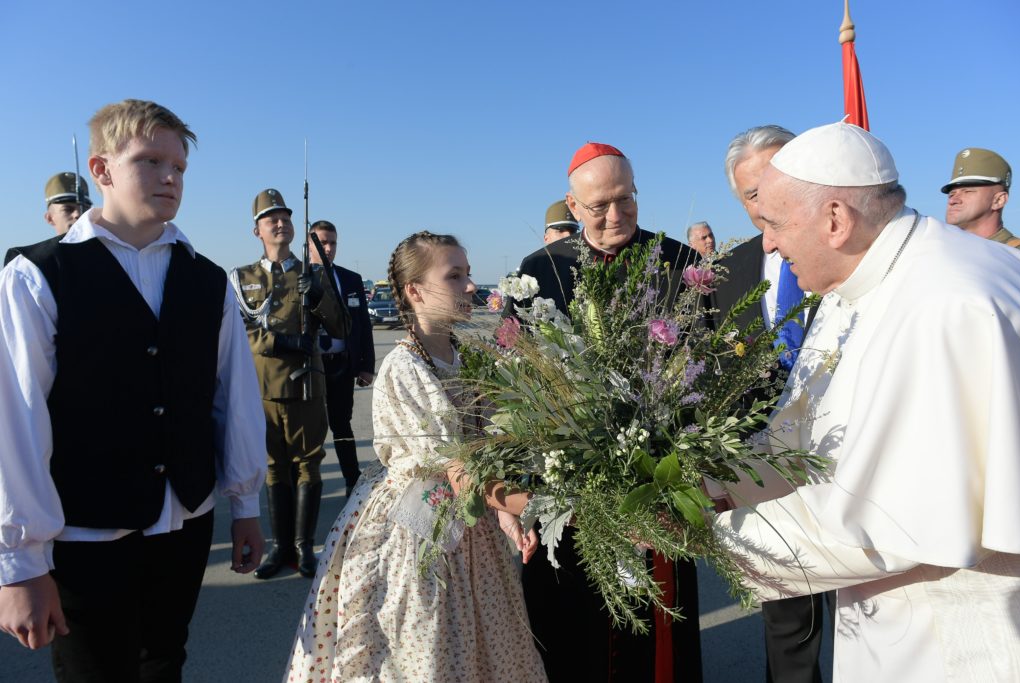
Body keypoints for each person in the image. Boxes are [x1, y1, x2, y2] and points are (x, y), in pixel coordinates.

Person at [713, 122, 1020, 682]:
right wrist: (714, 486)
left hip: (956, 636)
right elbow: (797, 440)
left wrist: (697, 531)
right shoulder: (857, 280)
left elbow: (885, 525)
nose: (768, 244)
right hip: (889, 616)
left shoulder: (945, 305)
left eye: (776, 223)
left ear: (836, 220)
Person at [0, 98, 267, 681]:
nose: (170, 177)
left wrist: (245, 507)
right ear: (102, 170)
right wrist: (19, 564)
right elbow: (16, 424)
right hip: (86, 531)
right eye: (150, 161)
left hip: (185, 522)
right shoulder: (36, 277)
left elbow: (232, 399)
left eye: (179, 166)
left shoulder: (207, 280)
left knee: (164, 662)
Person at [285, 231, 548, 682]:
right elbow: (459, 470)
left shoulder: (467, 356)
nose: (470, 286)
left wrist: (507, 517)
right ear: (414, 290)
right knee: (427, 656)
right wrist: (547, 505)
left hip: (471, 528)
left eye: (467, 274)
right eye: (455, 275)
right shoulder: (405, 365)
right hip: (419, 536)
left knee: (488, 651)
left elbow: (483, 447)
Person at [514, 142, 703, 682]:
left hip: (657, 479)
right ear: (573, 208)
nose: (615, 216)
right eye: (599, 207)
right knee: (580, 632)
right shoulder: (539, 272)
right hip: (575, 489)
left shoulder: (679, 264)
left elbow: (702, 368)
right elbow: (521, 380)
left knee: (654, 631)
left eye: (626, 200)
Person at [714, 124, 829, 683]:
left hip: (850, 454)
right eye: (753, 194)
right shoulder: (729, 273)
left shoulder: (843, 250)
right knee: (790, 624)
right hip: (771, 472)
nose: (768, 203)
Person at [231, 190, 350, 579]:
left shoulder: (314, 273)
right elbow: (239, 330)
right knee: (272, 468)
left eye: (284, 217)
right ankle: (279, 547)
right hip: (261, 388)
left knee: (307, 466)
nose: (280, 223)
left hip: (304, 387)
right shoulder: (241, 278)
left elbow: (340, 326)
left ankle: (303, 548)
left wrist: (318, 298)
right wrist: (282, 341)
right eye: (271, 219)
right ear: (257, 230)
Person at [308, 219, 375, 497]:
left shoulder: (350, 279)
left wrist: (366, 365)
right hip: (310, 367)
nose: (328, 248)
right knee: (310, 428)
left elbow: (362, 325)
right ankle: (308, 485)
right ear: (309, 243)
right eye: (322, 242)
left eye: (332, 242)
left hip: (340, 365)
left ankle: (351, 479)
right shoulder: (298, 279)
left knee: (341, 423)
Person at [4, 172, 93, 266]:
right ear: (50, 218)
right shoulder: (30, 264)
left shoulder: (106, 253)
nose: (78, 214)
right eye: (68, 209)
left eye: (85, 209)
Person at [941, 147, 1020, 249]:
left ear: (999, 200)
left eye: (967, 191)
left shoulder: (1018, 256)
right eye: (951, 194)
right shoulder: (941, 251)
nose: (953, 200)